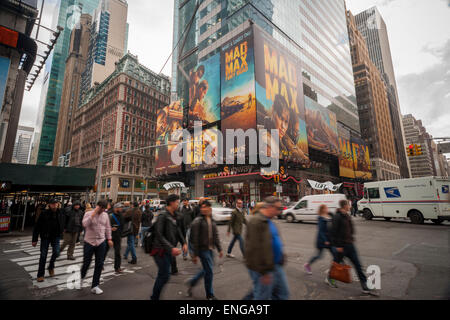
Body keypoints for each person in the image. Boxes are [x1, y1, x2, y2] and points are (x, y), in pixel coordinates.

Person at [244, 196, 289, 300]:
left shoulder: (270, 221)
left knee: (283, 294)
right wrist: (264, 272)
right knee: (262, 296)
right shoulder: (256, 221)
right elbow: (252, 249)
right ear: (269, 207)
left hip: (276, 266)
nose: (279, 212)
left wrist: (282, 257)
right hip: (264, 270)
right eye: (278, 209)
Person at [329, 200, 375, 294]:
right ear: (344, 206)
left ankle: (364, 285)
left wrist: (352, 237)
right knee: (336, 265)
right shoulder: (337, 217)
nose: (350, 206)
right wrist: (338, 246)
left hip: (350, 245)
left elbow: (350, 228)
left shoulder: (347, 215)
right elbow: (333, 233)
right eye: (348, 205)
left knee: (358, 265)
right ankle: (330, 278)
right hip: (342, 247)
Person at [150, 194, 187, 300]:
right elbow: (159, 234)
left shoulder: (173, 215)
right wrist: (171, 248)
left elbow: (178, 230)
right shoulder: (163, 215)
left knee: (164, 275)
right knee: (164, 275)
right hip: (159, 250)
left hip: (168, 250)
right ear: (171, 202)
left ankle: (154, 297)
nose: (178, 204)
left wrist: (184, 242)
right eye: (177, 202)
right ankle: (154, 297)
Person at [185, 200, 223, 300]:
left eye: (206, 207)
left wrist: (219, 249)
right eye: (202, 207)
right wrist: (194, 254)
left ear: (210, 208)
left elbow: (215, 236)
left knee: (207, 269)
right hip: (203, 250)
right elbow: (194, 239)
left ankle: (192, 282)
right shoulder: (197, 221)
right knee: (209, 271)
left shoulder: (211, 219)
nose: (203, 209)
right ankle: (209, 295)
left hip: (210, 249)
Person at [80, 200, 113, 294]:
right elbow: (84, 224)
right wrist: (93, 213)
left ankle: (95, 285)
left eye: (104, 208)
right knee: (86, 263)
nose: (103, 210)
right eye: (101, 208)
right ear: (98, 206)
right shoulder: (88, 213)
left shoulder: (105, 215)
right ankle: (81, 279)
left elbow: (108, 228)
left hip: (101, 242)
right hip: (89, 242)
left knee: (99, 264)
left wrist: (109, 239)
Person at [32, 198, 64, 282]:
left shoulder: (60, 212)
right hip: (45, 237)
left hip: (56, 236)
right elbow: (37, 227)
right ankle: (40, 275)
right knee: (43, 256)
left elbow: (63, 222)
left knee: (57, 252)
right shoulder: (44, 213)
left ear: (58, 204)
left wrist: (63, 230)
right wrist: (34, 239)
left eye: (55, 203)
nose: (54, 205)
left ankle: (51, 266)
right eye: (52, 204)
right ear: (49, 205)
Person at [304, 205, 336, 284]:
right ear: (322, 210)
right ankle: (307, 265)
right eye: (326, 208)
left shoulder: (328, 216)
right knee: (319, 256)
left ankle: (331, 274)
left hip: (330, 240)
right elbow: (321, 231)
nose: (327, 209)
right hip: (323, 241)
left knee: (336, 255)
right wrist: (325, 240)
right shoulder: (321, 218)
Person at [109, 202, 125, 274]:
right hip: (110, 236)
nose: (121, 209)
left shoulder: (121, 216)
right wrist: (110, 228)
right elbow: (104, 226)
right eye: (120, 207)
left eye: (122, 207)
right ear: (115, 208)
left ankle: (117, 267)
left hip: (118, 237)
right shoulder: (110, 216)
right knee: (104, 251)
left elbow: (123, 225)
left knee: (118, 253)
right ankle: (100, 264)